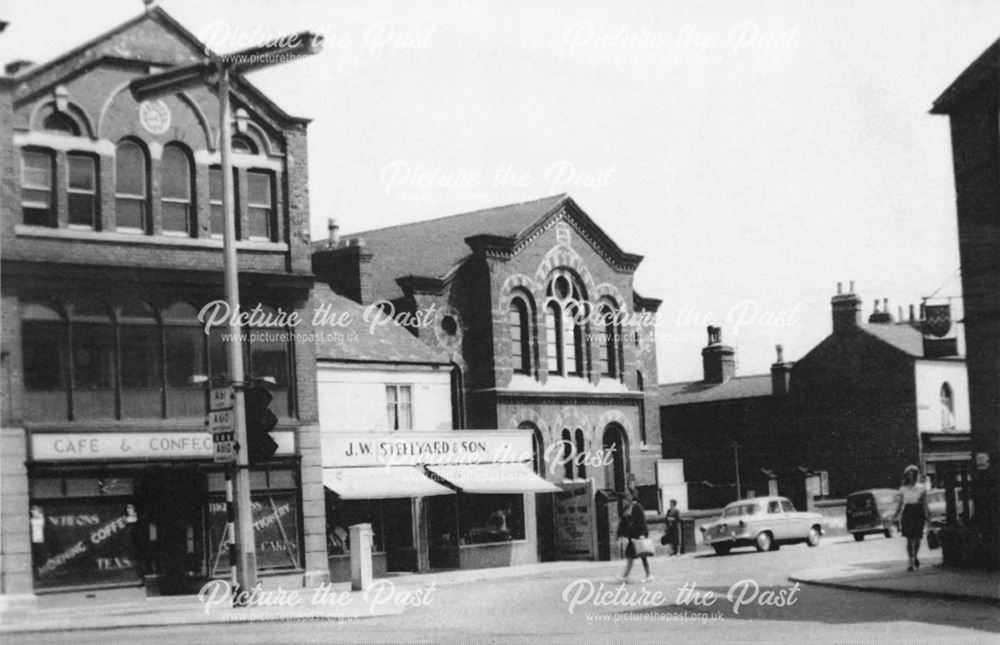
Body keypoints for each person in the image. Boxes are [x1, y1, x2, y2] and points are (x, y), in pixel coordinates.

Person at [893, 464, 931, 572]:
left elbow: (924, 503)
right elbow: (900, 505)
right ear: (906, 476)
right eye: (909, 474)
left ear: (916, 475)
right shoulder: (903, 489)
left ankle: (915, 555)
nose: (911, 476)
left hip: (918, 512)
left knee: (918, 538)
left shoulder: (921, 488)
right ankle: (910, 561)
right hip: (908, 512)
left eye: (913, 474)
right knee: (909, 539)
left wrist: (929, 516)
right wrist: (894, 517)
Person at [617, 488, 652, 583]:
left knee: (641, 555)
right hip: (631, 536)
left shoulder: (637, 507)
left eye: (628, 494)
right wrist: (620, 533)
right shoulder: (627, 507)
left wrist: (642, 534)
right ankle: (627, 576)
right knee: (631, 555)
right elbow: (623, 522)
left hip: (638, 535)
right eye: (625, 494)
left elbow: (642, 521)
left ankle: (647, 575)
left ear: (632, 496)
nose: (626, 496)